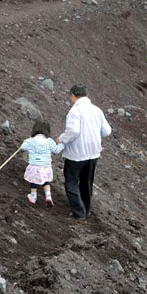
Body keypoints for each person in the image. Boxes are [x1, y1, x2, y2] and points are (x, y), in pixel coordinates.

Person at [57, 85, 111, 219]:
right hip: (94, 153)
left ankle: (78, 212)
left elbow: (73, 131)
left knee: (71, 181)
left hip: (76, 153)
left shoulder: (75, 111)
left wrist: (60, 139)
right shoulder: (97, 110)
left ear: (73, 96)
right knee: (87, 181)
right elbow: (107, 131)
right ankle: (86, 209)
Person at [21, 120, 64, 207]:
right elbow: (56, 150)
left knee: (33, 181)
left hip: (34, 166)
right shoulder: (49, 141)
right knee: (45, 181)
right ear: (47, 131)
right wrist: (62, 144)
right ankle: (48, 196)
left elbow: (23, 148)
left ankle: (33, 196)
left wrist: (25, 141)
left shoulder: (31, 141)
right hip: (46, 167)